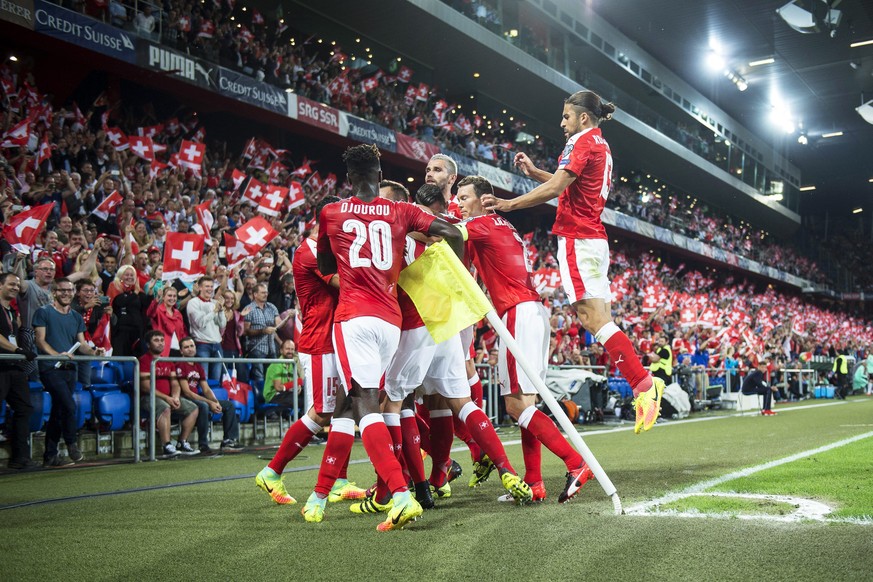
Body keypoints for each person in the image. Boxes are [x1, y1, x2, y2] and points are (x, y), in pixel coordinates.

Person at [482, 90, 664, 434]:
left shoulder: (581, 141)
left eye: (566, 116)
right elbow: (565, 184)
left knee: (592, 318)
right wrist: (536, 172)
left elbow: (557, 189)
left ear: (582, 117)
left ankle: (643, 384)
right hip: (592, 238)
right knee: (599, 319)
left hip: (578, 239)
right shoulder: (600, 144)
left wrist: (508, 204)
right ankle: (643, 384)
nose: (562, 123)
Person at [314, 143, 464, 531]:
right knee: (378, 400)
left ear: (349, 179)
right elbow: (451, 231)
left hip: (354, 316)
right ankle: (328, 492)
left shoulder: (331, 211)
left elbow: (324, 265)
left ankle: (397, 493)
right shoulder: (402, 210)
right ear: (380, 177)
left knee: (366, 403)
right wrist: (456, 273)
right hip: (391, 320)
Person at [379, 182, 532, 512]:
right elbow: (448, 235)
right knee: (457, 401)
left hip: (416, 318)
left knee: (393, 402)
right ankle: (505, 469)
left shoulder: (396, 223)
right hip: (448, 316)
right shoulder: (434, 220)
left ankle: (408, 490)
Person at [456, 174, 594, 503]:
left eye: (463, 198)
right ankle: (535, 484)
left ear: (484, 199)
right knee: (527, 405)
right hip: (531, 312)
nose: (458, 205)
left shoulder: (484, 224)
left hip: (517, 313)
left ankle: (576, 463)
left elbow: (446, 233)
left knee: (516, 405)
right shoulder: (500, 226)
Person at [258, 195, 367, 521]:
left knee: (347, 407)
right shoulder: (311, 249)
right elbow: (343, 283)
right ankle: (272, 471)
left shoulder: (330, 248)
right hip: (320, 342)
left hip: (337, 338)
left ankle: (340, 481)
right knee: (323, 411)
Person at [33, 278, 106, 467]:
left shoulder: (76, 317)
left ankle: (50, 455)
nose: (66, 293)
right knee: (69, 406)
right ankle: (72, 444)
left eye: (69, 290)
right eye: (62, 290)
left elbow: (81, 344)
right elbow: (40, 340)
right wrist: (57, 355)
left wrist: (93, 351)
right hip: (51, 368)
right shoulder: (43, 312)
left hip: (69, 369)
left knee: (59, 410)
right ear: (54, 292)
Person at [175, 336, 243, 454]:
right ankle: (203, 445)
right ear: (181, 351)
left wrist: (215, 401)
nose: (190, 349)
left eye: (192, 346)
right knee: (204, 406)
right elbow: (187, 392)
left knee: (228, 405)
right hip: (184, 399)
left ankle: (228, 441)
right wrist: (209, 402)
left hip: (196, 398)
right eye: (186, 347)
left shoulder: (197, 366)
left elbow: (206, 389)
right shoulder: (180, 365)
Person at [138, 330, 199, 457]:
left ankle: (182, 442)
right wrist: (167, 398)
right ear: (148, 344)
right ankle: (167, 445)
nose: (160, 343)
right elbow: (145, 387)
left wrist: (175, 396)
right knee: (164, 407)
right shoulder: (143, 361)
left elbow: (175, 383)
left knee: (193, 408)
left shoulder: (168, 361)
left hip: (168, 397)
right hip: (148, 398)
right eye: (156, 340)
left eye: (162, 340)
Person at [0, 273, 36, 470]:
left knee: (24, 408)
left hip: (14, 366)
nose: (15, 287)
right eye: (11, 284)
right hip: (2, 364)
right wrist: (17, 349)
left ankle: (20, 458)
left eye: (17, 285)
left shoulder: (12, 311)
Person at [186, 276, 226, 382]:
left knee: (217, 379)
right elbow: (200, 323)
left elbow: (222, 324)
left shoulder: (214, 303)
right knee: (204, 379)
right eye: (207, 286)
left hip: (217, 345)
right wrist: (214, 311)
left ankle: (215, 398)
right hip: (202, 345)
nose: (210, 289)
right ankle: (203, 399)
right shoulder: (193, 303)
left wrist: (221, 311)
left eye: (212, 286)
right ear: (199, 288)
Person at [244, 283, 286, 382]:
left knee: (273, 376)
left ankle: (271, 396)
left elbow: (279, 325)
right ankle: (261, 397)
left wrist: (287, 318)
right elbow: (245, 331)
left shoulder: (272, 307)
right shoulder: (248, 309)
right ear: (255, 294)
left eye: (266, 292)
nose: (265, 294)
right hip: (256, 349)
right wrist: (262, 331)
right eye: (263, 293)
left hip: (272, 349)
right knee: (259, 378)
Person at [108, 264, 149, 356]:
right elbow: (119, 302)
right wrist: (135, 293)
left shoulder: (137, 289)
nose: (129, 277)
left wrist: (150, 294)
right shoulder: (114, 286)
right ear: (120, 275)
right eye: (127, 275)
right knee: (120, 357)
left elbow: (145, 305)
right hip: (121, 330)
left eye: (132, 275)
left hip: (136, 330)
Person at [146, 286, 187, 356]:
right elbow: (150, 313)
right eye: (169, 296)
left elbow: (182, 332)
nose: (172, 298)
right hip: (164, 350)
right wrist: (156, 300)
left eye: (174, 296)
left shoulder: (178, 314)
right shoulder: (158, 310)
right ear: (163, 297)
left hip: (178, 350)